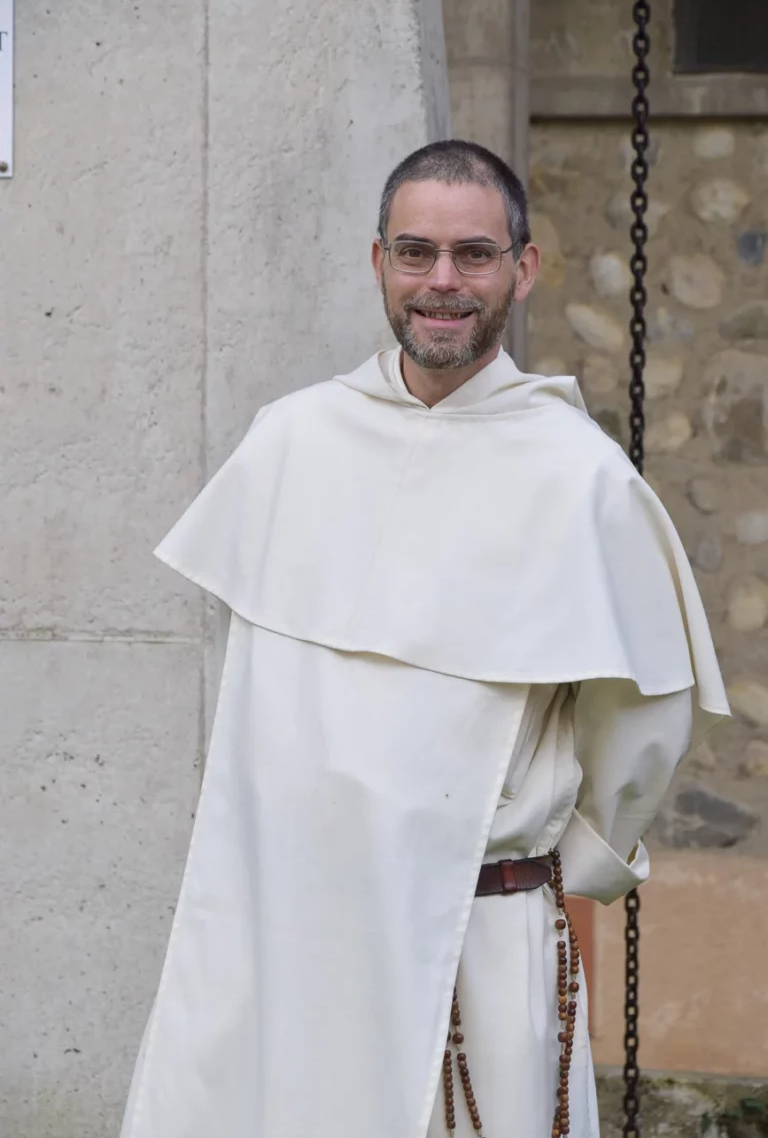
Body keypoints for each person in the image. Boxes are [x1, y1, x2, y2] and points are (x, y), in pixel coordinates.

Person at [120, 140, 728, 1138]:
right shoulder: (290, 442)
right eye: (416, 252)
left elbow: (641, 724)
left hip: (472, 937)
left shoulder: (582, 481)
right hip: (291, 934)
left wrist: (571, 860)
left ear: (522, 270)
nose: (442, 281)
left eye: (474, 254)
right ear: (380, 263)